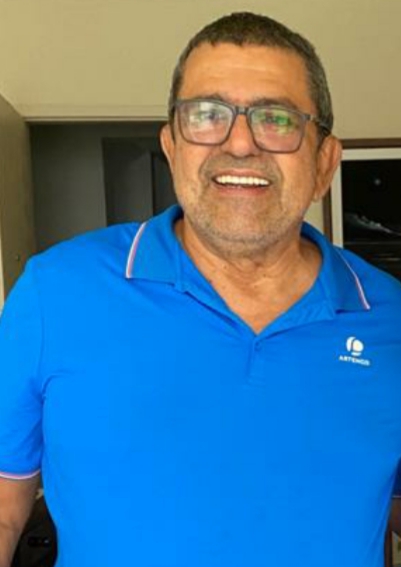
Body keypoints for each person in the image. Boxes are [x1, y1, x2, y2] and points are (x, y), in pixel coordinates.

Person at [0, 11, 401, 567]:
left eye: (276, 118)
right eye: (207, 115)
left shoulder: (390, 319)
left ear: (324, 161)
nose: (240, 144)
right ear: (171, 146)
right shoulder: (54, 293)